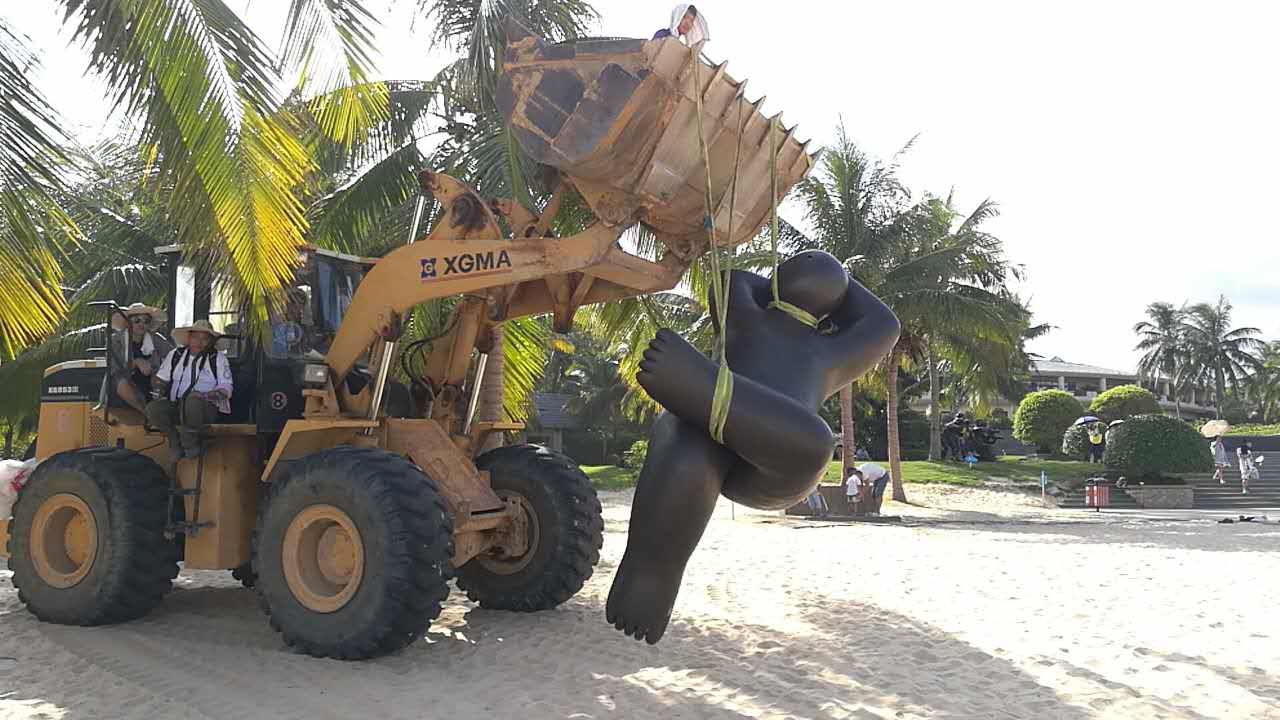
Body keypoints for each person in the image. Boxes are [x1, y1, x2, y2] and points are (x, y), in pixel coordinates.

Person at [606, 249, 900, 644]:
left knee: (815, 441)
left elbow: (888, 324)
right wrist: (838, 285)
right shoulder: (749, 309)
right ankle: (651, 572)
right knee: (687, 434)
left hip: (775, 463)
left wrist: (829, 276)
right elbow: (881, 321)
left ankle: (702, 387)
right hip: (711, 443)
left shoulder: (829, 350)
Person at [145, 320, 233, 459]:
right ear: (188, 338)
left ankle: (191, 446)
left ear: (211, 341)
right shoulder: (176, 355)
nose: (199, 342)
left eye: (204, 338)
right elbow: (161, 379)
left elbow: (226, 387)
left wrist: (208, 396)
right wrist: (158, 389)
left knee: (193, 400)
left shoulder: (218, 359)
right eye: (195, 337)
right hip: (177, 405)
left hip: (205, 407)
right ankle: (174, 440)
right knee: (153, 409)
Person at [101, 302, 173, 414]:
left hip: (149, 381)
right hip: (122, 384)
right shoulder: (116, 340)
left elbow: (172, 356)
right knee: (121, 382)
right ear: (127, 322)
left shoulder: (155, 339)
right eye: (137, 320)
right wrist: (135, 363)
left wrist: (159, 374)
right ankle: (147, 414)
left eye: (146, 321)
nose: (141, 324)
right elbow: (114, 368)